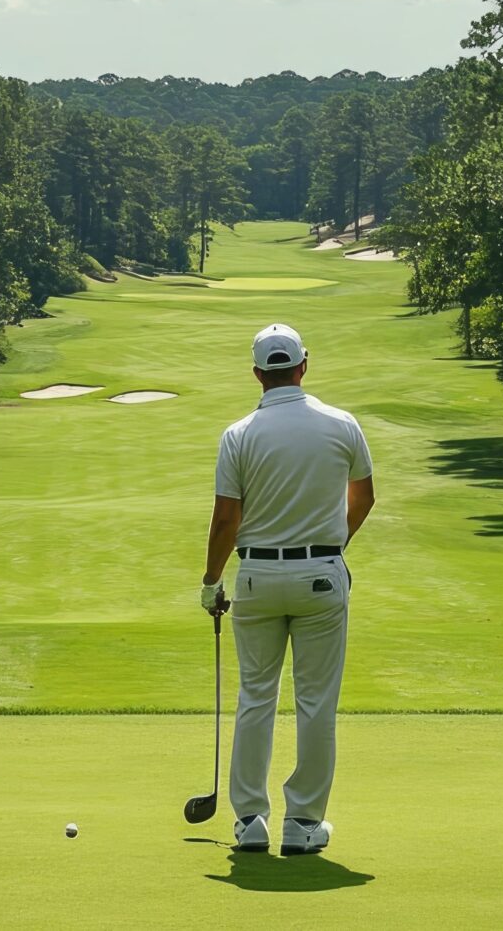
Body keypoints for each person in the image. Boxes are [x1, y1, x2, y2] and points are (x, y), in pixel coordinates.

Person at [199, 322, 375, 856]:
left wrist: (211, 582)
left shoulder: (239, 433)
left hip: (255, 578)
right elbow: (364, 498)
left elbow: (226, 520)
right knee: (316, 703)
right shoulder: (341, 424)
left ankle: (250, 820)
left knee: (256, 697)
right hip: (322, 577)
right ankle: (302, 825)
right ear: (304, 364)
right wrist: (329, 547)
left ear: (257, 373)